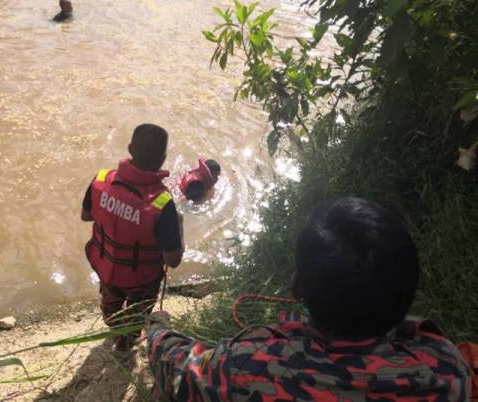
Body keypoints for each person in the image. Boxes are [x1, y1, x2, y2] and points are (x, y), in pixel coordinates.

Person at [146, 197, 471, 401]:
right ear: (407, 292)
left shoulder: (246, 365)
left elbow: (174, 368)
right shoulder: (447, 370)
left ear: (296, 287)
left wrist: (158, 329)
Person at [82, 124, 184, 352]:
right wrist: (179, 226)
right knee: (136, 317)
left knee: (111, 309)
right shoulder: (162, 203)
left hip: (107, 269)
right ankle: (125, 345)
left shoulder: (101, 179)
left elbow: (86, 215)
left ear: (130, 148)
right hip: (143, 280)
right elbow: (173, 260)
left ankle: (114, 329)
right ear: (163, 158)